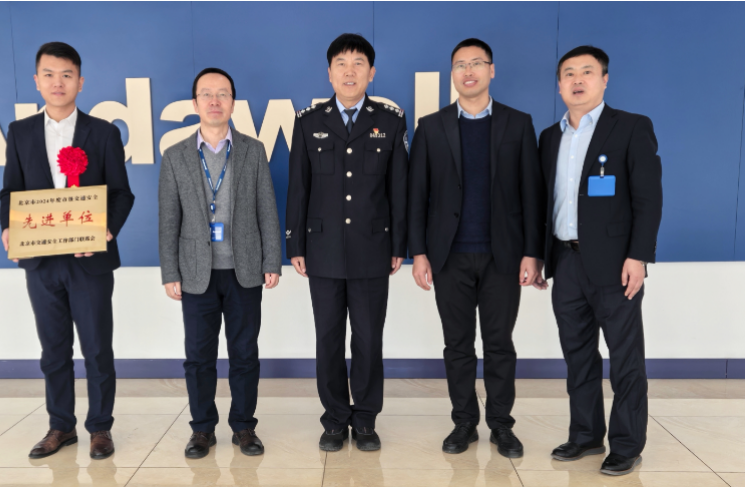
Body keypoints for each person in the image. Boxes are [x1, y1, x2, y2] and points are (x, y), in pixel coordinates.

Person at [407, 38, 545, 459]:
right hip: (448, 256)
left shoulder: (518, 124)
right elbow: (417, 195)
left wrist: (533, 252)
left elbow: (532, 193)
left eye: (477, 63)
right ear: (452, 73)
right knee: (458, 345)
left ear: (491, 70)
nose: (468, 71)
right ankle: (464, 422)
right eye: (460, 65)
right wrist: (419, 253)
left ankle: (502, 425)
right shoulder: (431, 127)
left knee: (500, 344)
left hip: (504, 256)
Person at [0, 42, 134, 460]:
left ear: (80, 81)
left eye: (66, 75)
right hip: (41, 261)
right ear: (37, 81)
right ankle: (61, 426)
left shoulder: (104, 132)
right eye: (49, 74)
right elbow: (10, 191)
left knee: (97, 349)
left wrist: (106, 229)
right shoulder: (20, 132)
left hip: (90, 262)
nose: (58, 83)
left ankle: (100, 428)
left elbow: (122, 194)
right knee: (53, 350)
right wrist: (8, 227)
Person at [539, 45, 662, 476]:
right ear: (559, 85)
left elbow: (648, 199)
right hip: (565, 261)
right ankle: (586, 435)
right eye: (569, 73)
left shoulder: (630, 127)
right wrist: (539, 257)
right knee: (577, 356)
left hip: (615, 265)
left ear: (604, 79)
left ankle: (626, 445)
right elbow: (543, 202)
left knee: (625, 359)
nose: (577, 80)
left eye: (587, 72)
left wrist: (638, 256)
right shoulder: (549, 137)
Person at [285, 33, 408, 453]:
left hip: (373, 249)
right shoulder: (308, 121)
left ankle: (366, 419)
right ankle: (336, 419)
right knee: (329, 339)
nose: (349, 71)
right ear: (329, 73)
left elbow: (399, 188)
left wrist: (399, 243)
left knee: (369, 339)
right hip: (322, 250)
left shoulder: (390, 121)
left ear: (371, 72)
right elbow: (298, 188)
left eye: (358, 63)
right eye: (341, 63)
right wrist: (295, 245)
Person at [158, 67, 282, 459]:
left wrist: (272, 260)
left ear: (233, 102)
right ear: (194, 103)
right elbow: (168, 219)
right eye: (207, 94)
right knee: (199, 357)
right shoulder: (175, 156)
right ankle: (202, 429)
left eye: (223, 94)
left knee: (244, 354)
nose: (215, 101)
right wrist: (170, 271)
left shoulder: (252, 150)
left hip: (245, 270)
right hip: (196, 272)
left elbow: (267, 209)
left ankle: (244, 426)